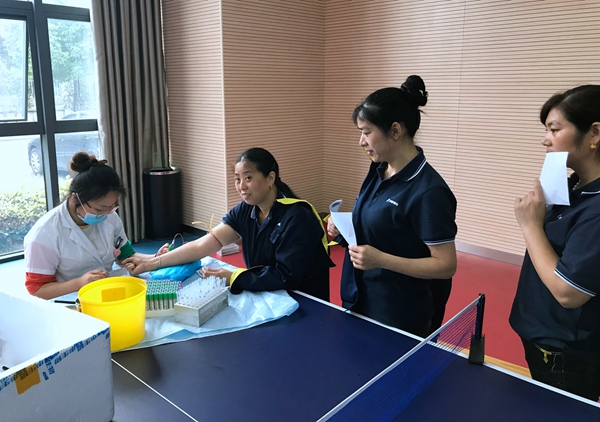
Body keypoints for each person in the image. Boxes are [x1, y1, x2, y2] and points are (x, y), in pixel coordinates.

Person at [327, 75, 457, 337]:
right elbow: (384, 226)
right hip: (359, 300)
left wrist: (381, 260)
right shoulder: (378, 168)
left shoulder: (429, 192)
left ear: (395, 131)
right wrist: (344, 228)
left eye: (366, 132)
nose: (361, 141)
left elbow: (446, 265)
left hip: (398, 315)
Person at [123, 147, 334, 301]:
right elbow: (203, 244)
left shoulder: (298, 216)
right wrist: (152, 262)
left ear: (270, 178)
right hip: (268, 295)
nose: (241, 186)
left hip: (303, 303)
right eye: (237, 179)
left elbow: (286, 276)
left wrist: (234, 277)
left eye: (248, 178)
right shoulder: (246, 209)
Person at [510, 85, 600, 401]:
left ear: (594, 133)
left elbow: (568, 292)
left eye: (554, 129)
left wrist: (530, 225)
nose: (545, 139)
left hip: (567, 352)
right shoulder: (572, 186)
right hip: (542, 337)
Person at [24, 152, 158, 300]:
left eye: (112, 207)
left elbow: (125, 255)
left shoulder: (110, 217)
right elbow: (37, 290)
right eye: (100, 209)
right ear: (75, 199)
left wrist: (155, 258)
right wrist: (79, 283)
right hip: (69, 299)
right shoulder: (43, 234)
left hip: (106, 291)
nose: (106, 213)